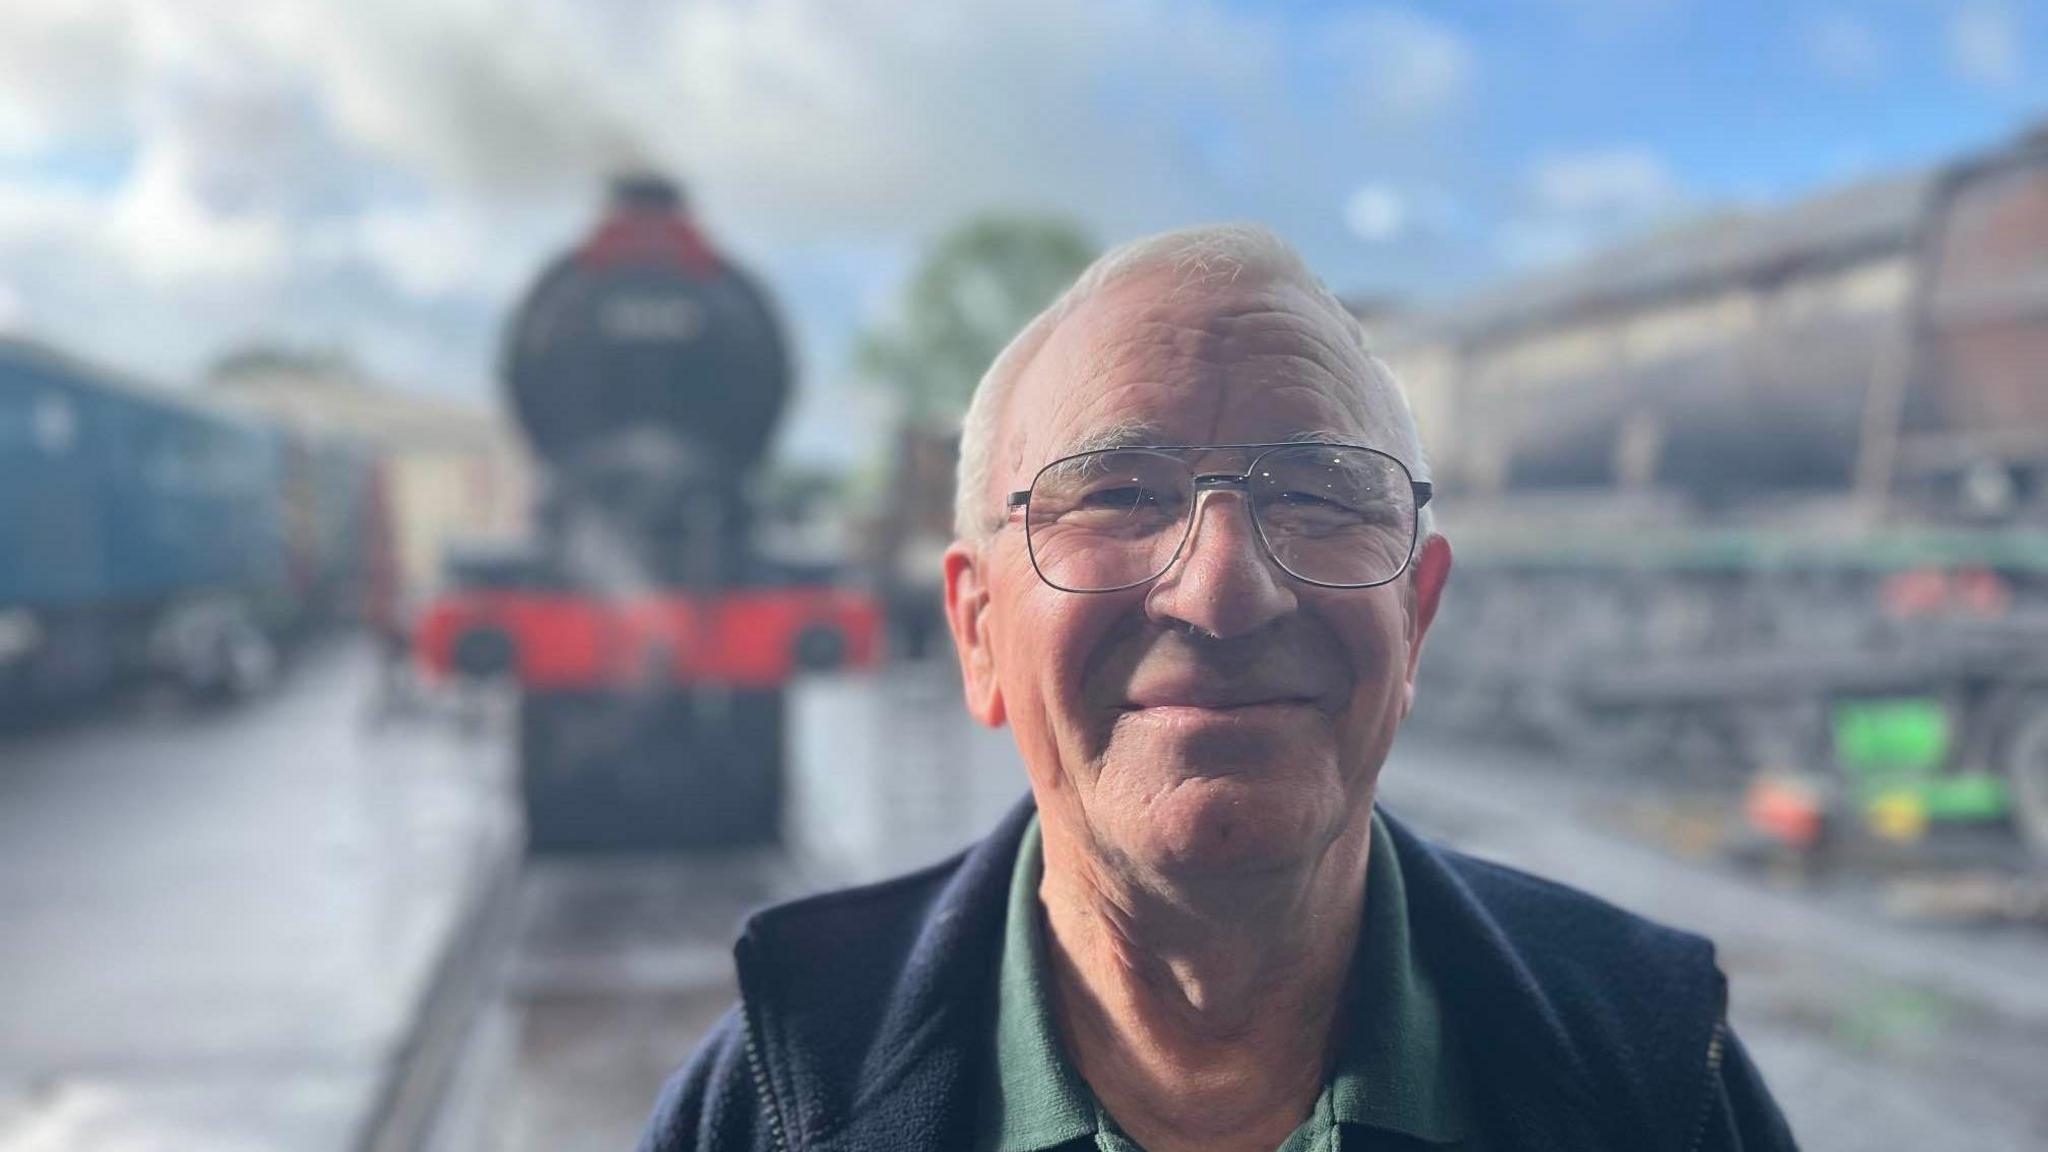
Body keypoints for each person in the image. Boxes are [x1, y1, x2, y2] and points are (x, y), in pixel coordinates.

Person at [637, 225, 1797, 1152]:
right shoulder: (773, 1101)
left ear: (1415, 613)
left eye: (1319, 494)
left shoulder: (1655, 1072)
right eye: (1119, 494)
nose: (1223, 590)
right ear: (977, 631)